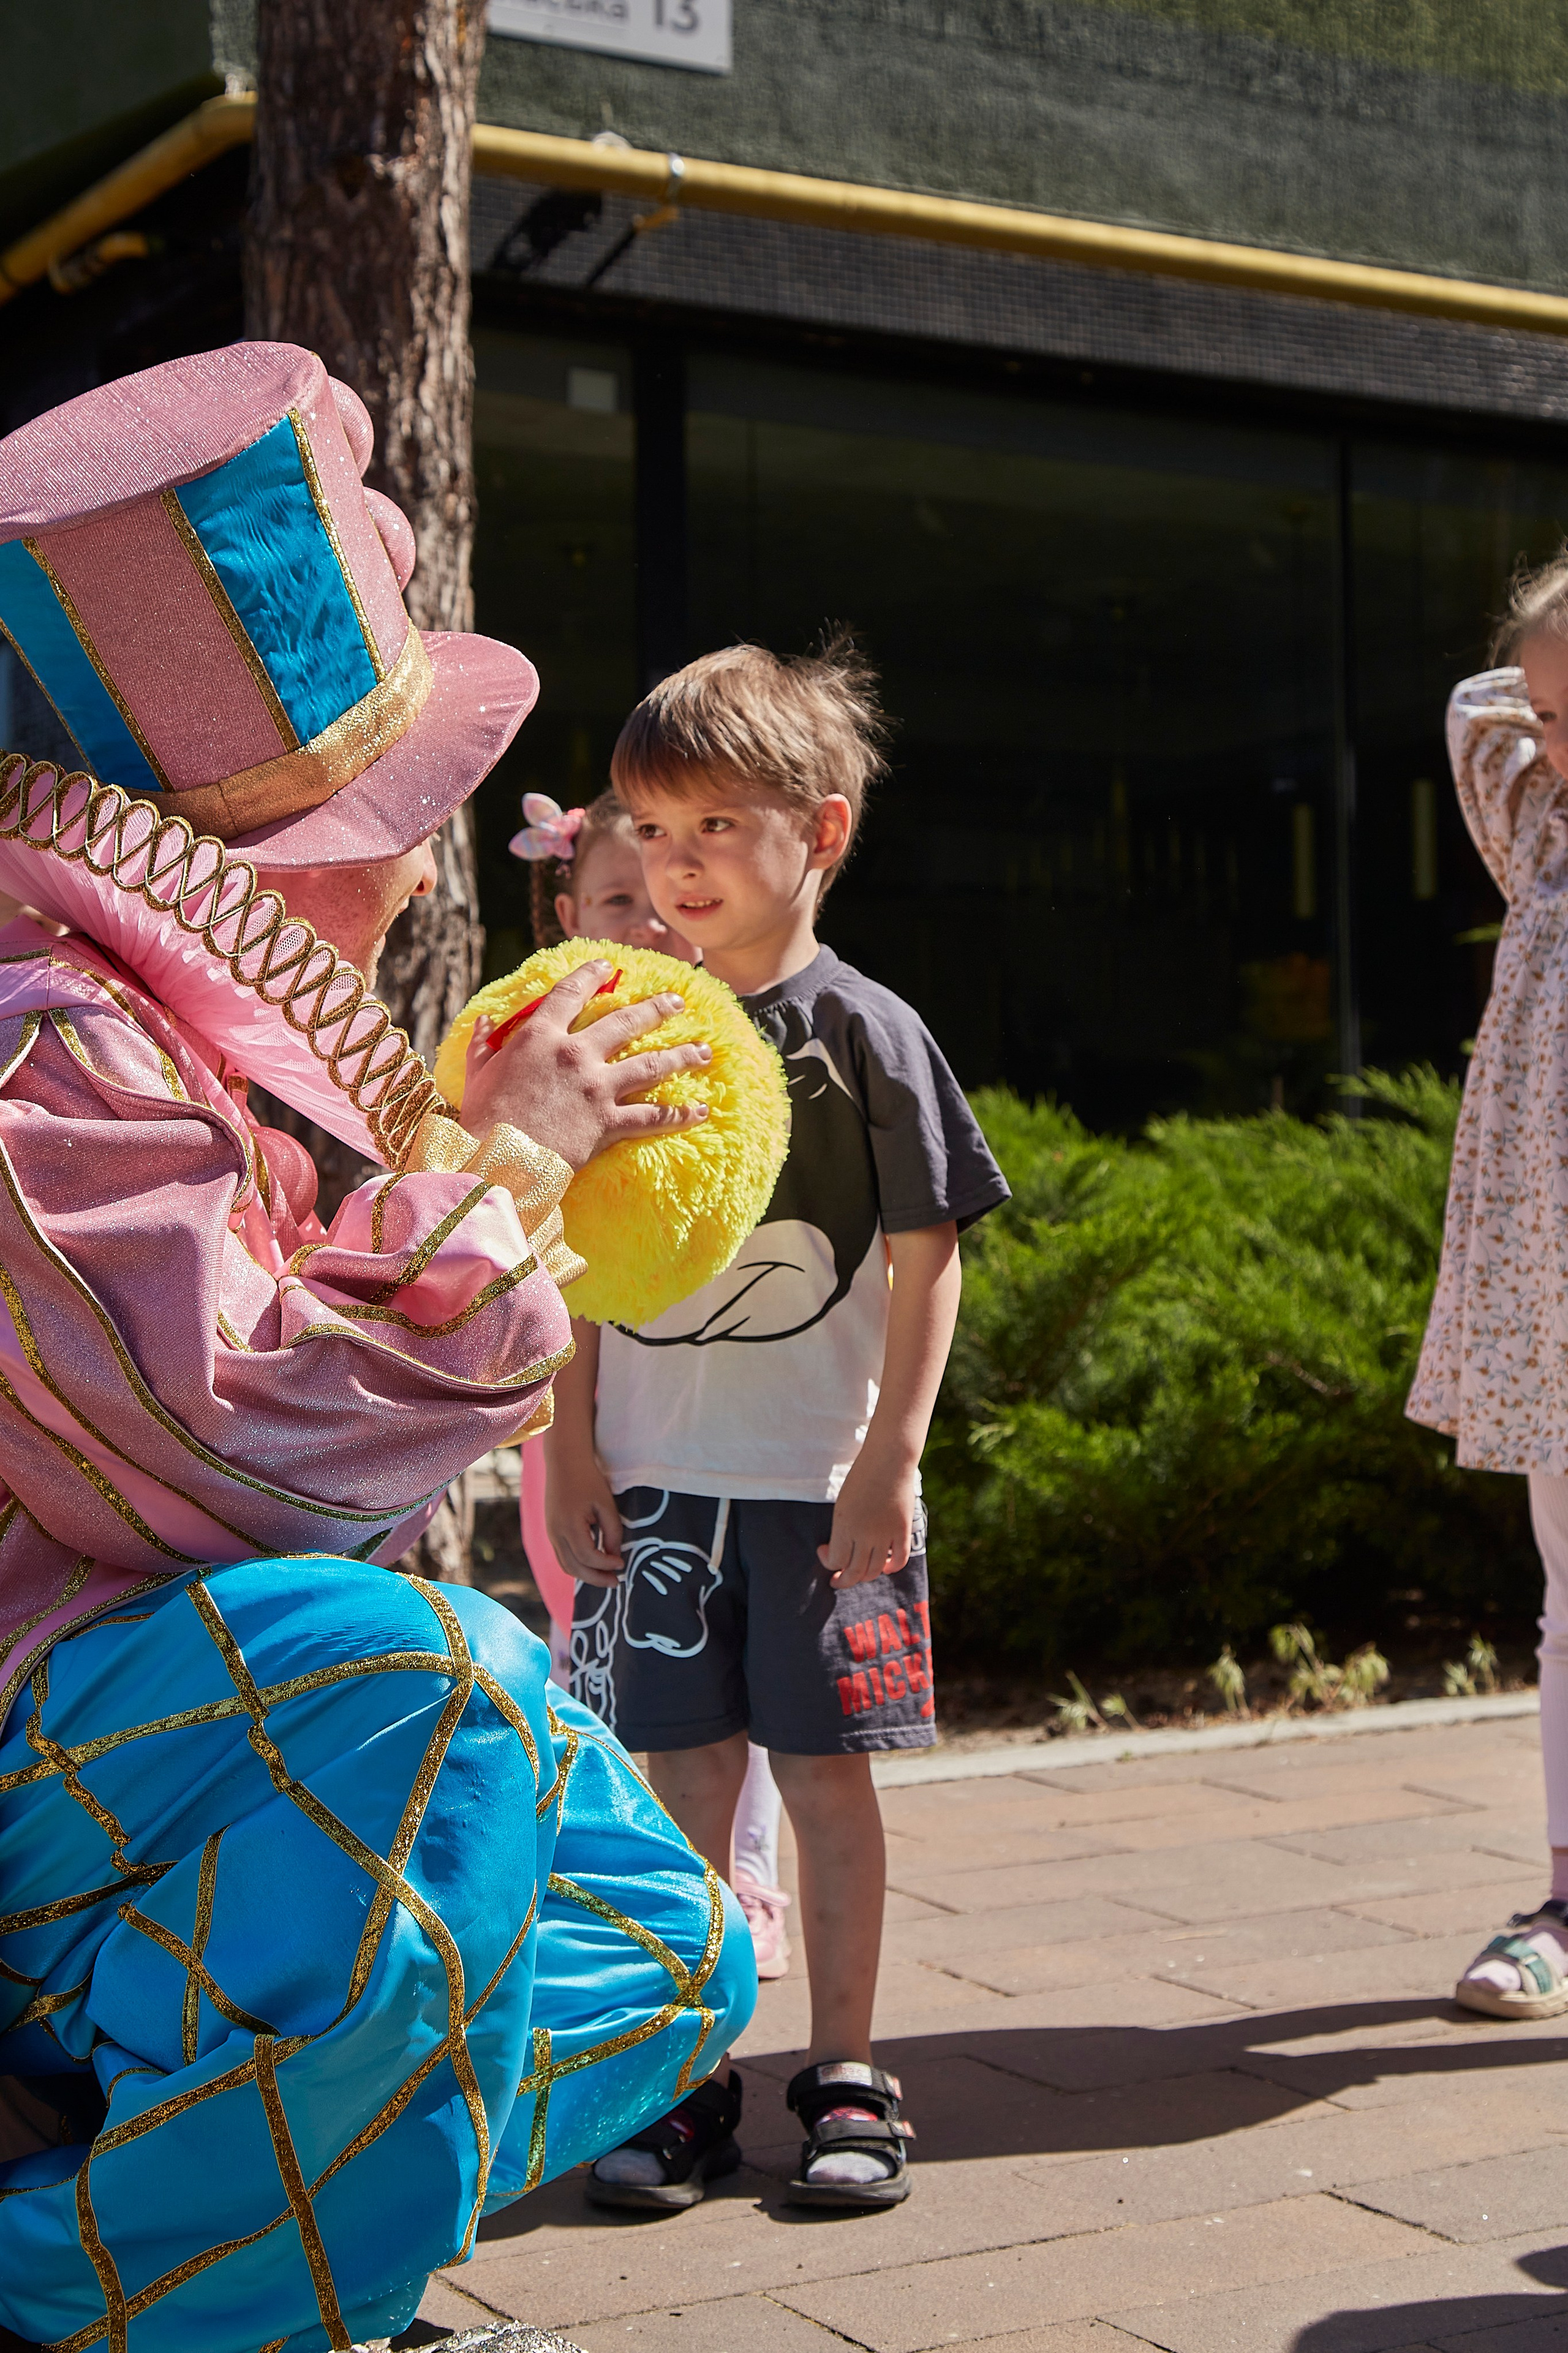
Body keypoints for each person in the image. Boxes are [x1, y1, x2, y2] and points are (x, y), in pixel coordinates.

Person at [0, 342, 755, 2353]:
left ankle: (249, 2233)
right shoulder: (43, 1037)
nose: (423, 861)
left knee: (666, 1939)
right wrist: (499, 1180)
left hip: (165, 1748)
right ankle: (114, 2294)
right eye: (390, 810)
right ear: (238, 851)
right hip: (36, 1744)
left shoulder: (152, 1027)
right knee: (432, 1697)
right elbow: (222, 1452)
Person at [543, 640, 1008, 2210]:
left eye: (714, 830)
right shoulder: (625, 1026)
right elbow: (581, 1256)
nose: (675, 868)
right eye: (651, 832)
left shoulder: (869, 1031)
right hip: (659, 1476)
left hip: (823, 1490)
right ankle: (686, 2083)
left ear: (818, 832)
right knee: (679, 1785)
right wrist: (572, 1439)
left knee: (825, 1781)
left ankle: (849, 2070)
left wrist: (891, 1457)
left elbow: (926, 1252)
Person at [512, 790, 794, 1979]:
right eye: (615, 900)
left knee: (742, 1654)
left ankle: (745, 1875)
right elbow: (554, 1275)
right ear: (568, 914)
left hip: (721, 1415)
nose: (645, 924)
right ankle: (636, 1871)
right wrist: (570, 1445)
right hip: (581, 1415)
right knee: (606, 1636)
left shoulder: (736, 1051)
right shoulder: (558, 1069)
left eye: (660, 900)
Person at [1411, 554, 1568, 2020]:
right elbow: (1477, 712)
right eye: (1550, 717)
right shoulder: (1546, 843)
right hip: (1554, 1294)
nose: (1547, 748)